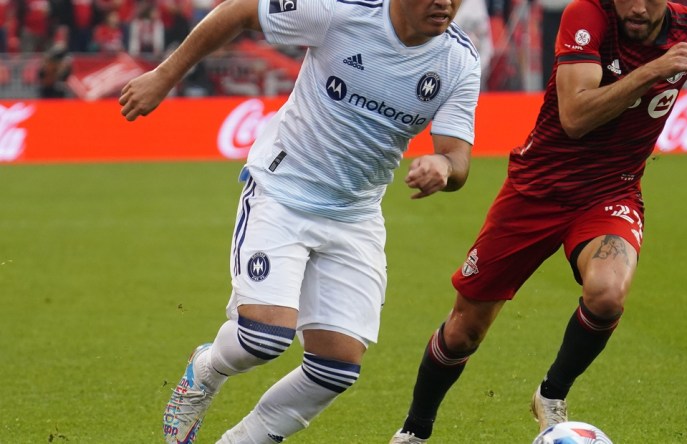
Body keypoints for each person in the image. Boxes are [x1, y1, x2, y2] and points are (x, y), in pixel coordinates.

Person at [119, 0, 480, 442]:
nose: (445, 2)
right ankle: (207, 367)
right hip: (283, 193)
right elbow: (238, 11)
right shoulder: (341, 12)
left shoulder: (459, 60)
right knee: (264, 339)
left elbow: (457, 155)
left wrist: (444, 167)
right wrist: (164, 76)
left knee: (336, 369)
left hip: (355, 215)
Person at [389, 0, 687, 442]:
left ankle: (551, 394)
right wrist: (655, 69)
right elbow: (575, 118)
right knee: (465, 330)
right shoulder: (588, 16)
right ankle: (415, 430)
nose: (634, 7)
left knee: (608, 293)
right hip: (536, 191)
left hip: (611, 191)